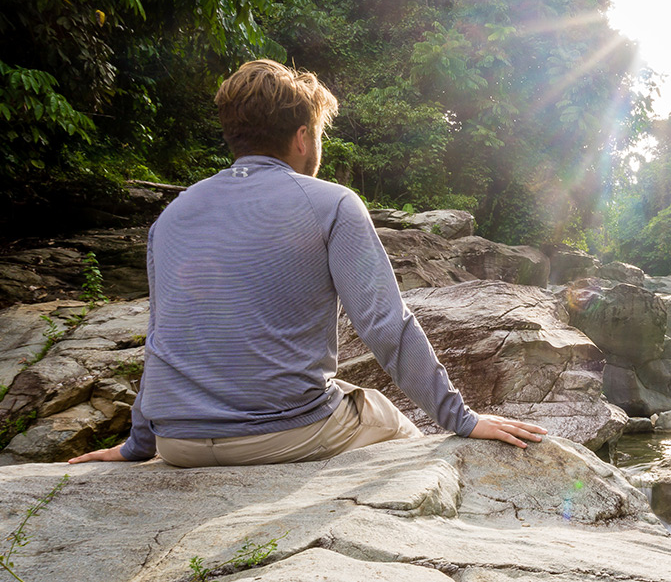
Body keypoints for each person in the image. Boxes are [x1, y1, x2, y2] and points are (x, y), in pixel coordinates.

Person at [70, 60, 545, 466]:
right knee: (385, 416)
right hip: (285, 435)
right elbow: (385, 325)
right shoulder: (332, 203)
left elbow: (161, 339)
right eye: (317, 134)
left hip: (179, 444)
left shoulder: (170, 218)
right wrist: (462, 419)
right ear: (301, 138)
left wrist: (138, 446)